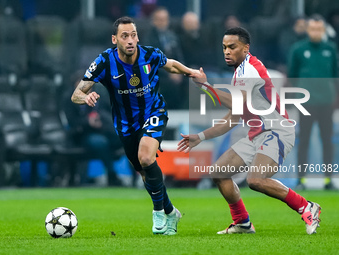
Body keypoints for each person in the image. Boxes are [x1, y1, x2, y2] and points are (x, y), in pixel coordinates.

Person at [178, 27, 321, 235]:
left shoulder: (250, 70)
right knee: (219, 173)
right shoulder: (240, 73)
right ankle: (242, 222)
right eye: (224, 47)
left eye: (232, 47)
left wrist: (206, 86)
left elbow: (236, 102)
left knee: (256, 180)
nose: (226, 51)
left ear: (246, 48)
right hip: (257, 134)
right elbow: (233, 118)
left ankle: (306, 206)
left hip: (277, 131)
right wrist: (200, 136)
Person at [71, 16, 197, 235]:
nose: (130, 40)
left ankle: (158, 213)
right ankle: (170, 210)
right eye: (125, 36)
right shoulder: (104, 61)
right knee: (145, 173)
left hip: (154, 112)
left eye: (133, 35)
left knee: (146, 157)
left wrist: (192, 73)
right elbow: (76, 93)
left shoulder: (150, 54)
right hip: (126, 124)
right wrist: (86, 98)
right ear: (114, 39)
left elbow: (172, 66)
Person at [288, 14, 338, 190]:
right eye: (313, 28)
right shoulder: (298, 49)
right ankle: (301, 179)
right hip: (306, 103)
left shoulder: (331, 49)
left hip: (326, 102)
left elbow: (335, 76)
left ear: (323, 30)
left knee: (327, 140)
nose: (316, 32)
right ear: (307, 29)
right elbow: (292, 75)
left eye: (319, 29)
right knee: (304, 141)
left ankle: (328, 179)